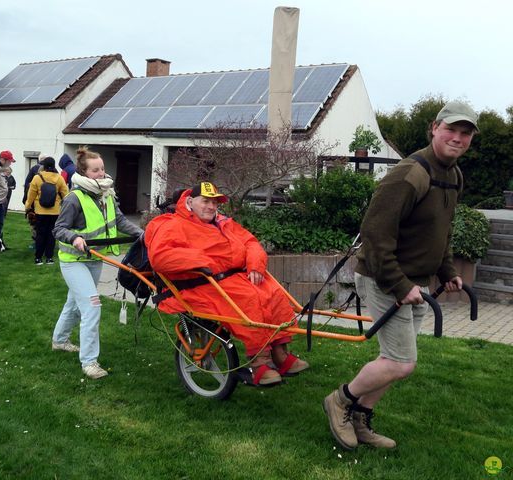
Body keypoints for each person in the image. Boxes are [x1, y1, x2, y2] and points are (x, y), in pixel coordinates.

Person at [323, 101, 479, 450]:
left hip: (416, 283)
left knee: (395, 361)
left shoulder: (453, 176)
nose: (457, 137)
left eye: (465, 133)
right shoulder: (410, 174)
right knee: (400, 362)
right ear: (434, 128)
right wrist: (399, 284)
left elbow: (443, 229)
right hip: (385, 278)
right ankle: (340, 401)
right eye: (451, 129)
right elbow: (375, 236)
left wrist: (447, 270)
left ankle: (361, 419)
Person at [144, 182, 309, 386]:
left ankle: (280, 353)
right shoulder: (172, 224)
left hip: (233, 279)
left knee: (274, 293)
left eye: (214, 203)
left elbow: (250, 242)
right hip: (203, 284)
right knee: (250, 301)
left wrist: (255, 264)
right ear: (189, 202)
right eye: (205, 201)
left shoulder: (223, 222)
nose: (211, 207)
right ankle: (260, 364)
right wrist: (202, 260)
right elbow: (161, 256)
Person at [52, 147, 143, 379]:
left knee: (74, 303)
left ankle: (59, 341)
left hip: (95, 259)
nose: (101, 173)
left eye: (102, 168)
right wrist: (75, 237)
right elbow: (59, 229)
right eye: (95, 170)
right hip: (74, 261)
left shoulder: (107, 194)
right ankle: (89, 362)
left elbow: (120, 220)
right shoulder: (74, 198)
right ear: (83, 172)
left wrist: (143, 234)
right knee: (91, 306)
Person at [25, 157, 68, 265]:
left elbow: (31, 195)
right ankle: (49, 258)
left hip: (40, 211)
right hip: (55, 212)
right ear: (54, 166)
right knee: (51, 234)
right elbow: (65, 195)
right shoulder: (59, 178)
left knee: (40, 234)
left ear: (43, 166)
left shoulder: (37, 178)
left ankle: (38, 258)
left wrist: (27, 207)